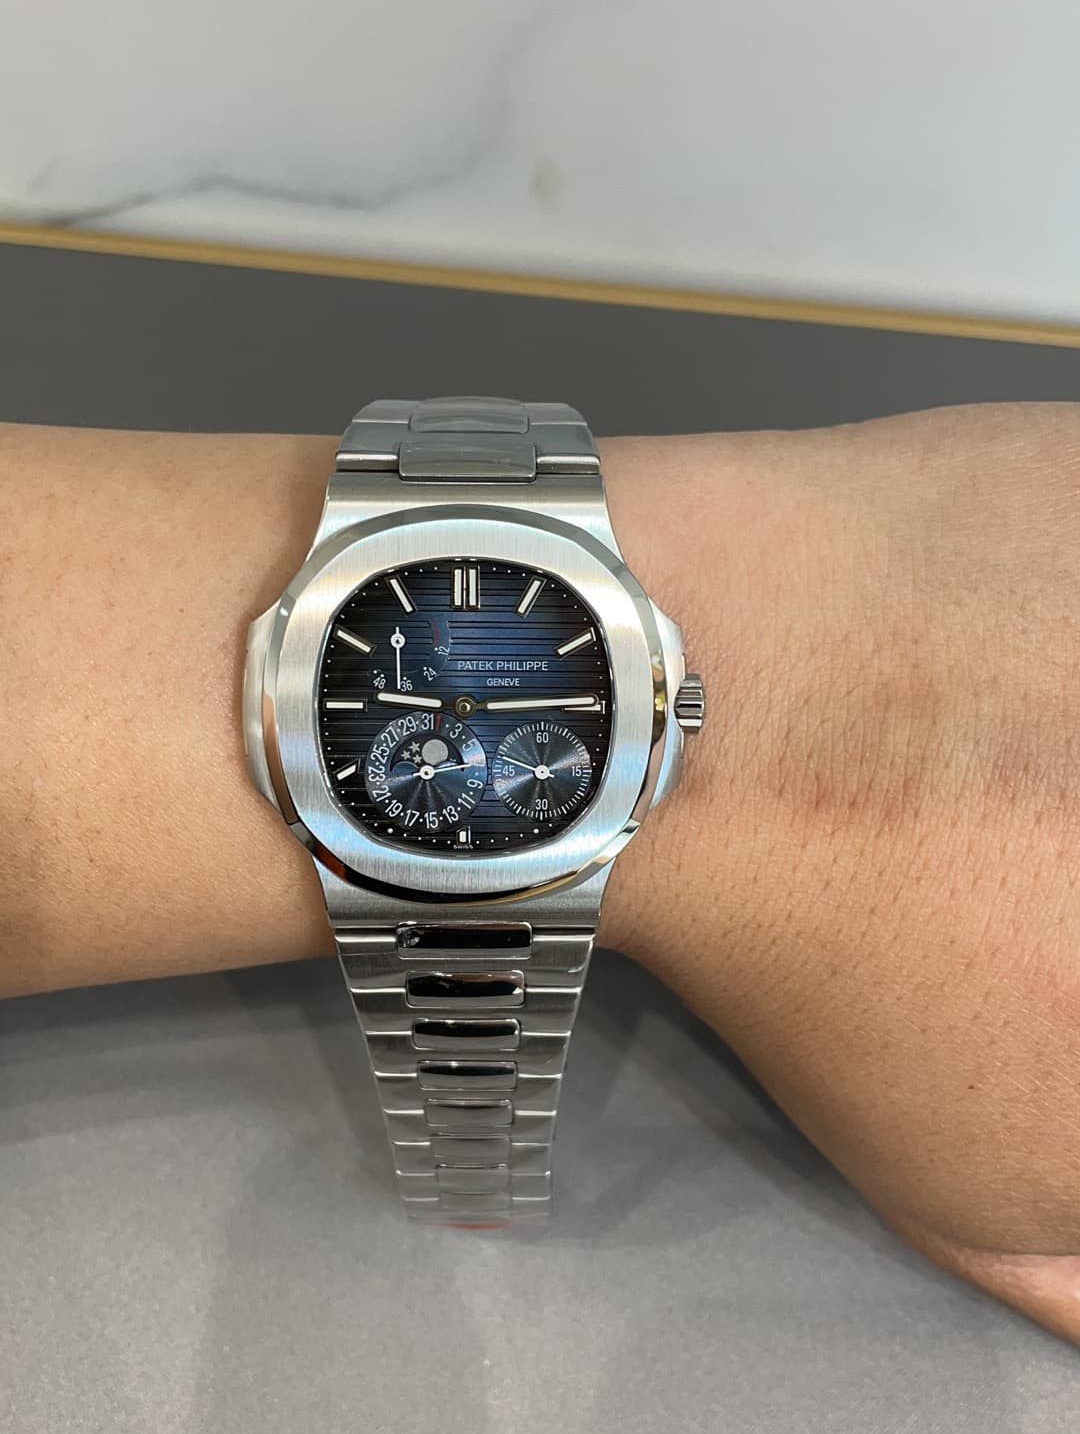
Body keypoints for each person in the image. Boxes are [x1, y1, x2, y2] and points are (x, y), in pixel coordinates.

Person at [2, 402, 1078, 1345]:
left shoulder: (580, 704)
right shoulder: (316, 707)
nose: (460, 718)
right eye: (444, 710)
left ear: (673, 702)